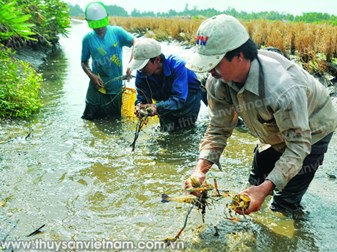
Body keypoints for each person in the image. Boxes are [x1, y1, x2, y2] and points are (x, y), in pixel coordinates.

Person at [184, 14, 337, 215]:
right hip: (270, 129)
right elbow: (218, 128)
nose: (209, 70)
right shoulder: (217, 81)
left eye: (215, 62)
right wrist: (200, 170)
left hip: (312, 129)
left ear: (238, 56)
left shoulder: (282, 89)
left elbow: (299, 146)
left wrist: (266, 188)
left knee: (283, 206)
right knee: (252, 186)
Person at [128, 38, 203, 132]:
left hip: (188, 97)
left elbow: (179, 99)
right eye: (138, 66)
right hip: (163, 98)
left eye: (143, 66)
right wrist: (140, 106)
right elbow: (142, 97)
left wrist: (156, 107)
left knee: (185, 130)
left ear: (157, 60)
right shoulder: (142, 72)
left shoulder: (179, 66)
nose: (140, 70)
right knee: (166, 130)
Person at [81, 1, 135, 120]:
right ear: (87, 21)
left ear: (107, 17)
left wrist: (130, 65)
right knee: (88, 119)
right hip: (96, 87)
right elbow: (84, 62)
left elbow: (136, 43)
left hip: (115, 88)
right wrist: (92, 76)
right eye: (96, 25)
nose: (99, 28)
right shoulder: (88, 39)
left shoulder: (117, 32)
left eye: (101, 24)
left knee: (114, 120)